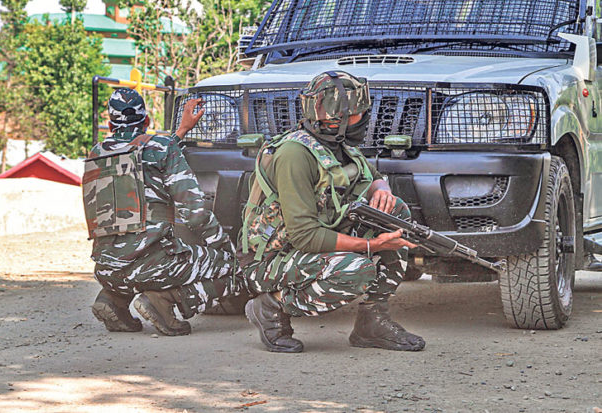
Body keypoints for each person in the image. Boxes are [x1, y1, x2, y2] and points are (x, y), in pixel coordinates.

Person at [240, 71, 425, 353]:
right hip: (270, 262)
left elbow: (371, 175)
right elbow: (304, 235)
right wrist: (371, 245)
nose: (364, 119)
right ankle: (270, 306)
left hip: (309, 245)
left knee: (395, 214)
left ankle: (372, 322)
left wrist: (382, 190)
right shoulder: (295, 154)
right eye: (358, 113)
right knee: (357, 271)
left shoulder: (337, 145)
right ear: (335, 118)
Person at [83, 87, 237, 336]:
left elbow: (142, 154)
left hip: (106, 268)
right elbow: (195, 213)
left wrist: (180, 133)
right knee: (232, 267)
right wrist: (223, 246)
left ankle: (113, 299)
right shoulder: (161, 148)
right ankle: (163, 301)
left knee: (129, 258)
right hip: (151, 268)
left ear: (109, 124)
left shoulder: (97, 153)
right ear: (146, 120)